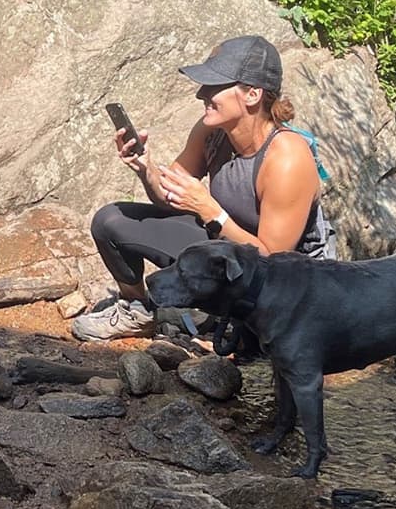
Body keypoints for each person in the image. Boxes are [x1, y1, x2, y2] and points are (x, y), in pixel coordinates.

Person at [73, 35, 336, 342]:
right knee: (111, 221)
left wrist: (212, 212)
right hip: (230, 255)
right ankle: (137, 310)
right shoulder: (212, 132)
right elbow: (168, 197)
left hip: (288, 286)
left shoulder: (287, 157)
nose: (201, 94)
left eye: (214, 86)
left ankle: (242, 329)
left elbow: (272, 261)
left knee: (256, 347)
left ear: (252, 94)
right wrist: (147, 169)